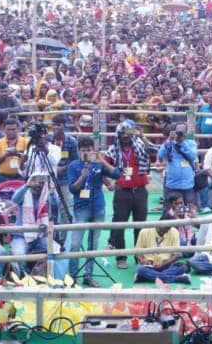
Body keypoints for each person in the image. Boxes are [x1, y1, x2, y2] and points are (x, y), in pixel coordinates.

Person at [66, 136, 118, 287]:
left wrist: (102, 161)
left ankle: (88, 276)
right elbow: (72, 189)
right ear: (78, 151)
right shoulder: (73, 166)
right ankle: (73, 276)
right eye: (83, 150)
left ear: (93, 150)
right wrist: (82, 177)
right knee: (75, 244)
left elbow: (117, 174)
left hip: (98, 207)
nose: (86, 153)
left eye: (89, 150)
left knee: (93, 244)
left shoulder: (98, 164)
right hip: (81, 207)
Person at [106, 120, 150, 269]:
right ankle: (121, 257)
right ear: (118, 135)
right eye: (122, 133)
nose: (125, 136)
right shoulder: (113, 149)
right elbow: (102, 165)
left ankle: (140, 256)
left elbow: (155, 152)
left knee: (140, 226)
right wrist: (108, 183)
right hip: (122, 192)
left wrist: (143, 137)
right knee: (120, 225)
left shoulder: (140, 145)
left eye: (128, 133)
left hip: (140, 191)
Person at [9, 173, 61, 280]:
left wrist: (52, 192)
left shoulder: (47, 196)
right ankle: (25, 278)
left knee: (56, 249)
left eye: (41, 183)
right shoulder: (25, 194)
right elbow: (14, 199)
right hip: (22, 237)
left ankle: (50, 277)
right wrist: (27, 185)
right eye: (35, 182)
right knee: (19, 254)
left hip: (41, 237)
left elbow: (56, 205)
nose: (38, 185)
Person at [134, 209, 190, 284]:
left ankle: (145, 278)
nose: (165, 231)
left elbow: (177, 255)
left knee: (183, 267)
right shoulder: (145, 231)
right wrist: (142, 260)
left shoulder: (174, 232)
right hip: (150, 266)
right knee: (140, 269)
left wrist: (163, 264)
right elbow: (137, 252)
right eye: (163, 228)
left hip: (166, 265)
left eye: (168, 229)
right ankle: (178, 278)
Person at [158, 123, 199, 213]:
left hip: (188, 185)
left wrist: (182, 143)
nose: (180, 133)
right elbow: (160, 155)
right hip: (172, 185)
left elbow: (192, 156)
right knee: (169, 212)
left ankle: (185, 226)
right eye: (178, 131)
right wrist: (169, 140)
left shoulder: (191, 143)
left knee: (188, 210)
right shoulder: (169, 144)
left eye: (182, 131)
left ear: (186, 132)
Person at [0, 118, 29, 184]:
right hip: (3, 177)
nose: (11, 132)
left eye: (13, 129)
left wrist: (17, 154)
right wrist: (5, 155)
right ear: (4, 130)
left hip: (21, 176)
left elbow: (29, 158)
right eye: (8, 129)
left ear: (18, 129)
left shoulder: (25, 141)